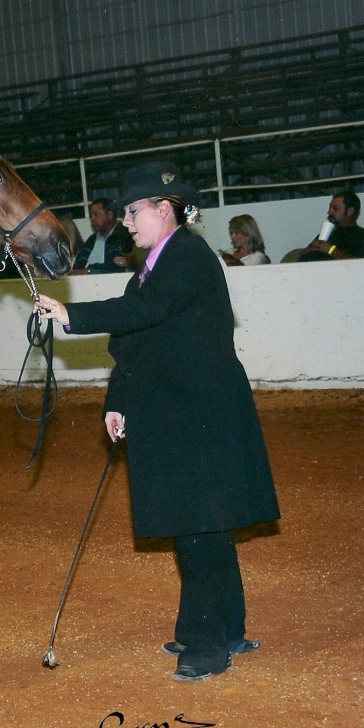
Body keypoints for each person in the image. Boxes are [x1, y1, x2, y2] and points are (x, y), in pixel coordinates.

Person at [34, 161, 280, 683]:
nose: (126, 220)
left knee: (198, 525)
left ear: (164, 210)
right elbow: (131, 340)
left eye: (133, 210)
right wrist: (116, 402)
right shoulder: (150, 269)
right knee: (204, 522)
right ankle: (226, 627)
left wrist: (72, 316)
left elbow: (149, 310)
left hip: (202, 411)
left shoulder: (190, 258)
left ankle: (207, 643)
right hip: (178, 410)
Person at [72, 199, 135, 274]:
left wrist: (90, 270)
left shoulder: (126, 235)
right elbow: (77, 267)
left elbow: (118, 267)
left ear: (109, 215)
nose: (92, 219)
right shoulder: (92, 239)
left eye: (96, 214)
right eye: (91, 216)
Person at [301, 191, 364, 261]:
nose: (329, 212)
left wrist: (331, 250)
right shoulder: (328, 232)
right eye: (330, 208)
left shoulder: (360, 235)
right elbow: (302, 257)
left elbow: (360, 263)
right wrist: (309, 249)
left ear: (350, 212)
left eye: (335, 209)